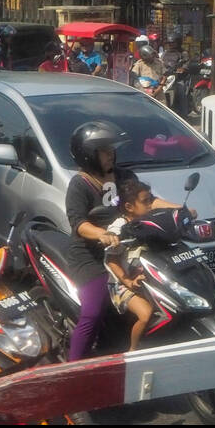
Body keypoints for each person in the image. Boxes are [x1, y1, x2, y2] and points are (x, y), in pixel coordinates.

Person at [62, 120, 185, 360]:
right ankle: (71, 368)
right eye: (105, 151)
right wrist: (102, 234)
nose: (112, 155)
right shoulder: (80, 185)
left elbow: (149, 202)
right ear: (88, 155)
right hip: (92, 257)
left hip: (128, 248)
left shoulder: (124, 176)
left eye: (112, 149)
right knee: (93, 311)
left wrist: (181, 210)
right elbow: (79, 224)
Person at [102, 178, 157, 352]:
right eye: (145, 201)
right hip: (121, 283)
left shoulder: (146, 221)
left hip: (143, 277)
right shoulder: (119, 228)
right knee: (146, 314)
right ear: (129, 207)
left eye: (150, 200)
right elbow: (112, 260)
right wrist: (128, 282)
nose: (150, 205)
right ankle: (133, 351)